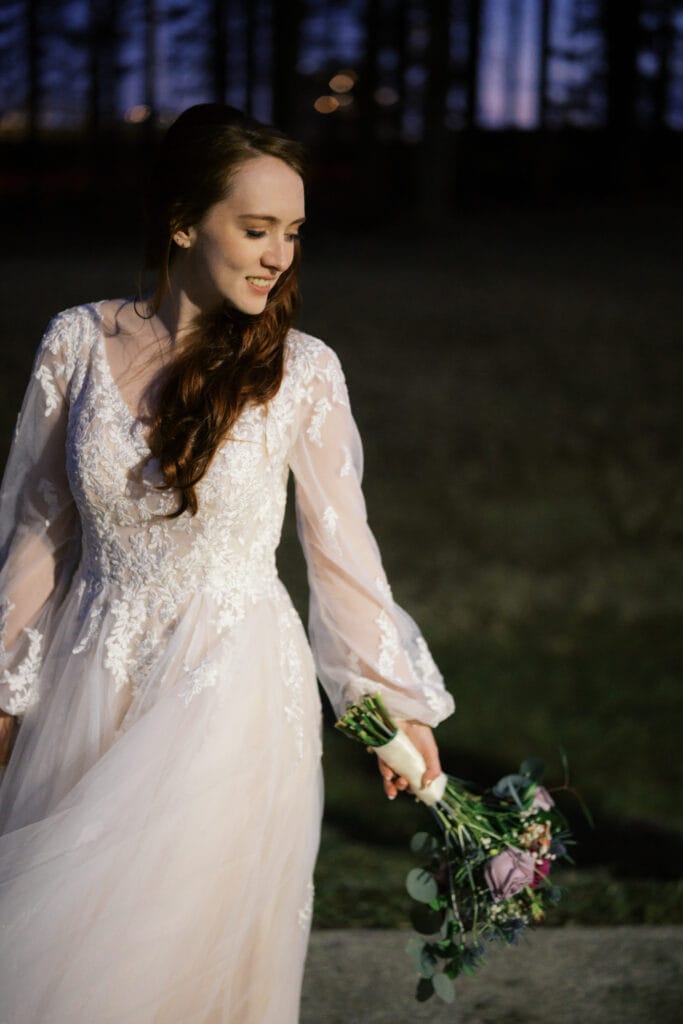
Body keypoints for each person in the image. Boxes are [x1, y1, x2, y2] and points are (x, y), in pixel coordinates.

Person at [0, 104, 454, 1022]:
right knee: (64, 950)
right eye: (254, 229)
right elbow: (38, 534)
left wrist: (387, 705)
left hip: (234, 695)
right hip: (87, 684)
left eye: (291, 233)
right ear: (181, 221)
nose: (278, 256)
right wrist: (2, 693)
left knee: (172, 952)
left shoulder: (305, 371)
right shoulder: (76, 343)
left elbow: (343, 556)